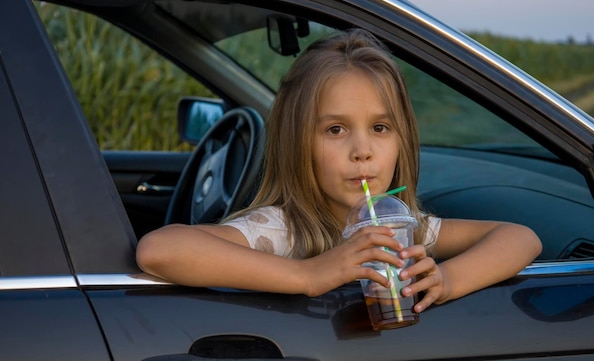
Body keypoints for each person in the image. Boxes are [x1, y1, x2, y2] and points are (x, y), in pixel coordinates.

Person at [136, 29, 542, 313]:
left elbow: (520, 238)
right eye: (335, 129)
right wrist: (309, 275)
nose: (362, 151)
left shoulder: (403, 229)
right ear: (298, 144)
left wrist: (446, 281)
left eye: (380, 128)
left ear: (402, 141)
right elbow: (159, 250)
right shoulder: (280, 231)